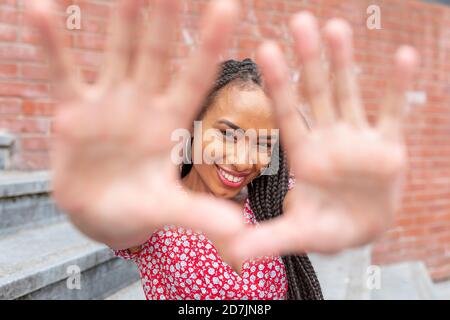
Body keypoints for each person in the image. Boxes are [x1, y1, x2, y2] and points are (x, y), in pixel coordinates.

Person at [26, 0, 419, 299]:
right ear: (192, 129)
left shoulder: (271, 202)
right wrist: (98, 204)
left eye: (264, 144)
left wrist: (341, 201)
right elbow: (121, 223)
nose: (244, 159)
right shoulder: (156, 207)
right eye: (228, 134)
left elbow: (310, 208)